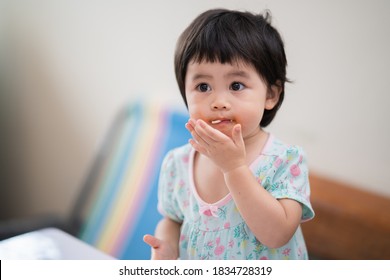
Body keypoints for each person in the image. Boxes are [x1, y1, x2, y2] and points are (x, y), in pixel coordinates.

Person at [143, 8, 314, 260]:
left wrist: (234, 168)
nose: (219, 101)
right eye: (203, 86)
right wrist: (167, 245)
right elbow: (172, 219)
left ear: (270, 95)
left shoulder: (285, 161)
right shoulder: (176, 163)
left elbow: (277, 234)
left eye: (236, 85)